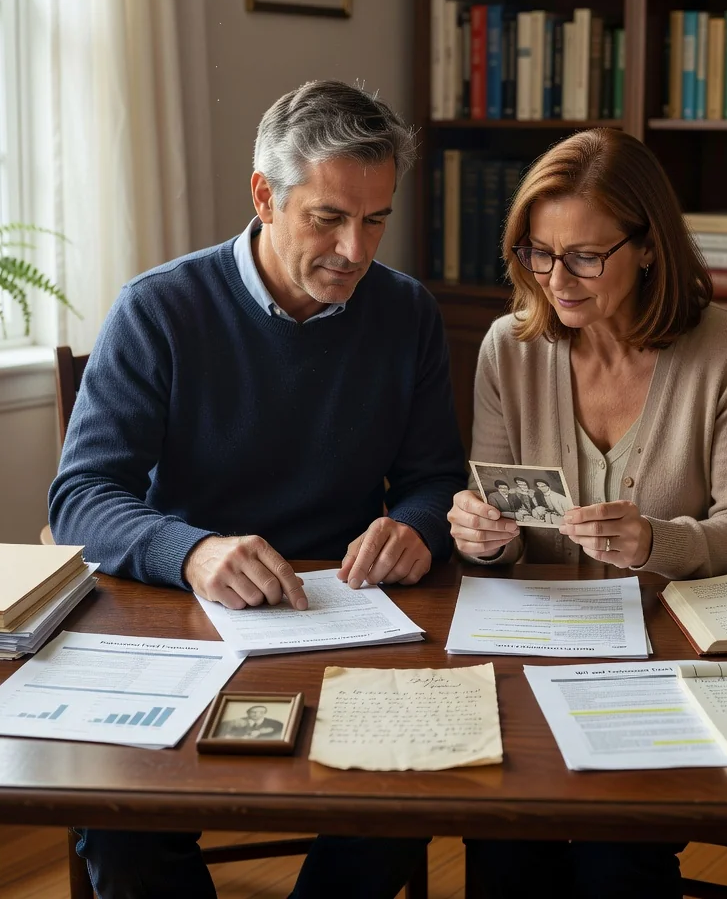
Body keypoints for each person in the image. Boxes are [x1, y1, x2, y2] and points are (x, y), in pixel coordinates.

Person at [49, 80, 466, 899]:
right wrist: (194, 549)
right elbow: (81, 498)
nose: (356, 249)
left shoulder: (406, 312)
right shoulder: (159, 308)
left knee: (417, 781)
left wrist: (416, 526)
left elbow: (435, 479)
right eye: (329, 217)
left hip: (346, 621)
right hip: (179, 624)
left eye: (376, 219)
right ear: (264, 196)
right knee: (121, 823)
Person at [446, 128, 727, 898]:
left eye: (584, 257)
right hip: (529, 656)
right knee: (501, 844)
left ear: (648, 249)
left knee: (615, 860)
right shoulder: (509, 347)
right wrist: (483, 537)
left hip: (671, 666)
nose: (556, 279)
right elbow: (494, 526)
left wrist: (655, 540)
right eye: (539, 251)